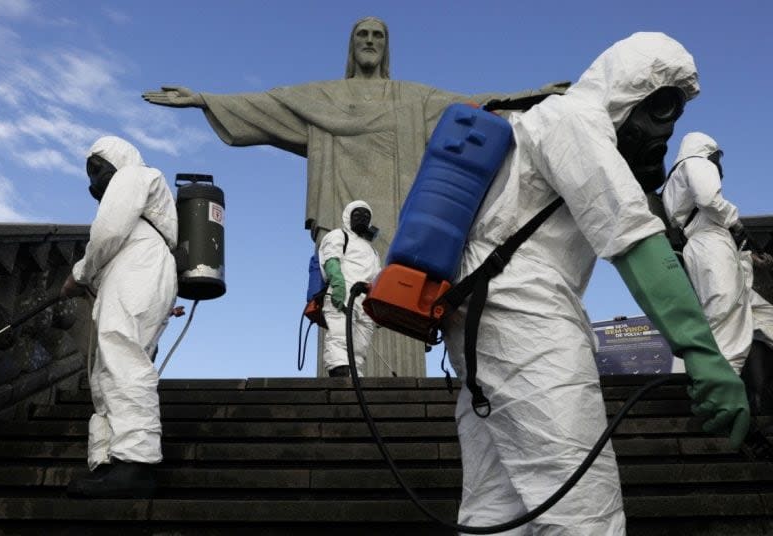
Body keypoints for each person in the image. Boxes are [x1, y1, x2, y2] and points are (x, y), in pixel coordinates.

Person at [441, 33, 749, 534]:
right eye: (662, 108)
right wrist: (702, 353)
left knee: (498, 509)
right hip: (524, 316)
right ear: (632, 89)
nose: (664, 132)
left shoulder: (542, 122)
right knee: (585, 509)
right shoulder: (574, 119)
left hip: (487, 321)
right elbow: (634, 238)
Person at [142, 16, 567, 376]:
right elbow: (268, 105)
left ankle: (398, 378)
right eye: (361, 35)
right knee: (340, 298)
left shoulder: (411, 98)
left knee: (397, 286)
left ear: (387, 48)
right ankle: (343, 378)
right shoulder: (325, 96)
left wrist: (533, 97)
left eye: (377, 35)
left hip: (400, 218)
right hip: (340, 217)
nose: (369, 42)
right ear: (351, 46)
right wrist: (204, 99)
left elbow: (473, 106)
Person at [61, 135, 178, 499]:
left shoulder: (134, 175)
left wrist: (80, 273)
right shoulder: (140, 188)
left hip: (138, 266)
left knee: (122, 354)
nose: (92, 180)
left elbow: (109, 230)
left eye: (96, 169)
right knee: (108, 366)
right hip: (133, 268)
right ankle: (109, 460)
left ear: (116, 160)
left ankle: (136, 462)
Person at [663, 132, 773, 412]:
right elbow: (709, 200)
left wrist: (754, 259)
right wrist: (735, 220)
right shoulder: (696, 162)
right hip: (710, 245)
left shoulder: (675, 180)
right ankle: (720, 400)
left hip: (714, 247)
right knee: (724, 317)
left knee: (766, 320)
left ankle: (759, 394)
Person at [319, 200, 381, 377]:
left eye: (366, 216)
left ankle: (354, 370)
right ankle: (338, 367)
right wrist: (337, 283)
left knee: (360, 343)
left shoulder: (372, 251)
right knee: (340, 333)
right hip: (344, 293)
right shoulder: (338, 235)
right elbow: (331, 259)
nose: (362, 218)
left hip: (365, 302)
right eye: (357, 214)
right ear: (348, 217)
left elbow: (376, 277)